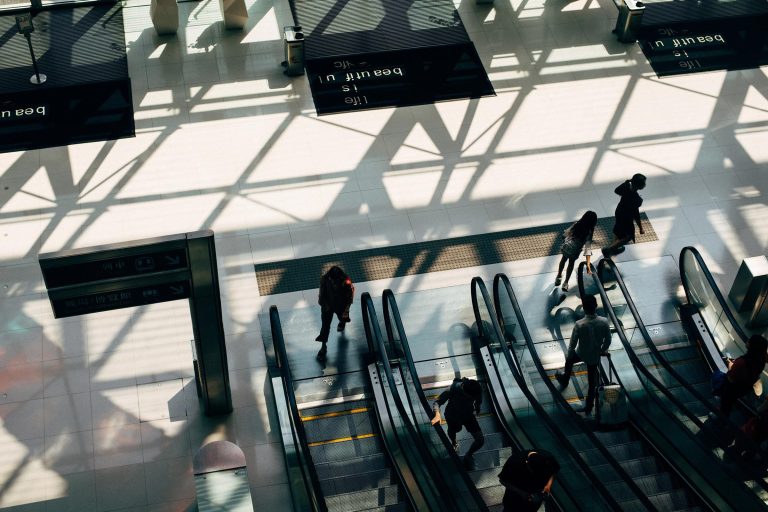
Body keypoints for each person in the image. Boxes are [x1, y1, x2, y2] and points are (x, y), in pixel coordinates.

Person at [554, 294, 611, 414]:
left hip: (581, 353)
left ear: (584, 309)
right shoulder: (604, 322)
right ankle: (589, 407)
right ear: (596, 306)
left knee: (569, 362)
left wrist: (569, 355)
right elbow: (608, 340)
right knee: (592, 383)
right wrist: (602, 350)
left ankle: (565, 379)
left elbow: (572, 344)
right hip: (594, 356)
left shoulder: (579, 324)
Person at [432, 377, 485, 469]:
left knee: (480, 440)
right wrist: (437, 414)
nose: (471, 399)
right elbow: (437, 402)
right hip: (453, 415)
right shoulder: (453, 389)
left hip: (468, 415)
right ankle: (454, 442)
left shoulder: (476, 389)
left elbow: (478, 398)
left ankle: (468, 454)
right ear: (463, 391)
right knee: (454, 430)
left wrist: (477, 406)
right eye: (469, 397)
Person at [718, 335, 768, 419]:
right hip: (746, 387)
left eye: (749, 341)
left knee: (726, 403)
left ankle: (721, 419)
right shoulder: (762, 359)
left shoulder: (741, 362)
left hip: (733, 388)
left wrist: (730, 365)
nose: (747, 341)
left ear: (752, 346)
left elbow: (731, 378)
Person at [315, 266, 355, 361]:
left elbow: (350, 294)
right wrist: (323, 304)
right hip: (328, 306)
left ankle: (342, 322)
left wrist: (347, 308)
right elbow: (322, 293)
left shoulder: (345, 280)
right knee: (325, 326)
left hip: (339, 305)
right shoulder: (326, 279)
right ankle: (323, 346)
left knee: (341, 318)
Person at [603, 173, 646, 257]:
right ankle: (609, 249)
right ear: (639, 185)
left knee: (618, 230)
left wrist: (627, 182)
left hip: (619, 212)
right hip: (627, 217)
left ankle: (613, 248)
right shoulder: (637, 199)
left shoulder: (626, 187)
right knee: (628, 236)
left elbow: (616, 190)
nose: (645, 185)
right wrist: (641, 228)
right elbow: (636, 214)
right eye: (643, 183)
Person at [555, 210, 597, 292]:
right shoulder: (589, 231)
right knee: (571, 264)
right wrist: (588, 262)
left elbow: (565, 235)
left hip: (567, 248)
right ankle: (566, 282)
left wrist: (566, 239)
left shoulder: (577, 224)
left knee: (563, 260)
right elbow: (588, 246)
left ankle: (559, 276)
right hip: (575, 251)